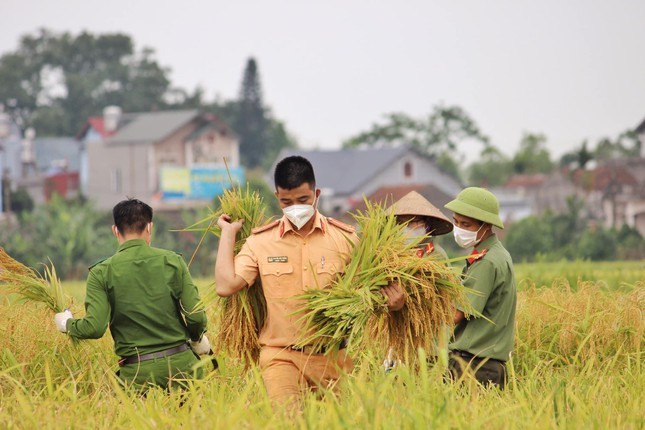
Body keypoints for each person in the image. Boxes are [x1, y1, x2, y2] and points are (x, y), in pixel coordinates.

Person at [215, 155, 404, 407]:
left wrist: (395, 302)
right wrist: (228, 235)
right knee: (287, 421)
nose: (295, 207)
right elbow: (226, 286)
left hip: (333, 357)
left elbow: (371, 293)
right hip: (280, 356)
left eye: (303, 200)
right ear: (277, 198)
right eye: (286, 201)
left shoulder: (347, 240)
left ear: (316, 193)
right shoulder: (260, 242)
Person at [53, 198, 210, 392]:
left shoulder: (101, 272)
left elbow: (94, 327)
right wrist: (196, 339)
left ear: (115, 230)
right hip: (184, 369)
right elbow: (196, 316)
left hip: (137, 375)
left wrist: (66, 323)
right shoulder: (172, 262)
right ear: (150, 228)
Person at [443, 187, 516, 389]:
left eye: (466, 224)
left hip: (475, 366)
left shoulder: (486, 262)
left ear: (486, 226)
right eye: (456, 222)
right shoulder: (496, 254)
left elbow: (455, 314)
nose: (458, 229)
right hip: (483, 365)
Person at [388, 190, 453, 260]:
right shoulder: (392, 251)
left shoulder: (435, 254)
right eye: (401, 223)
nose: (406, 227)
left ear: (426, 224)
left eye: (412, 222)